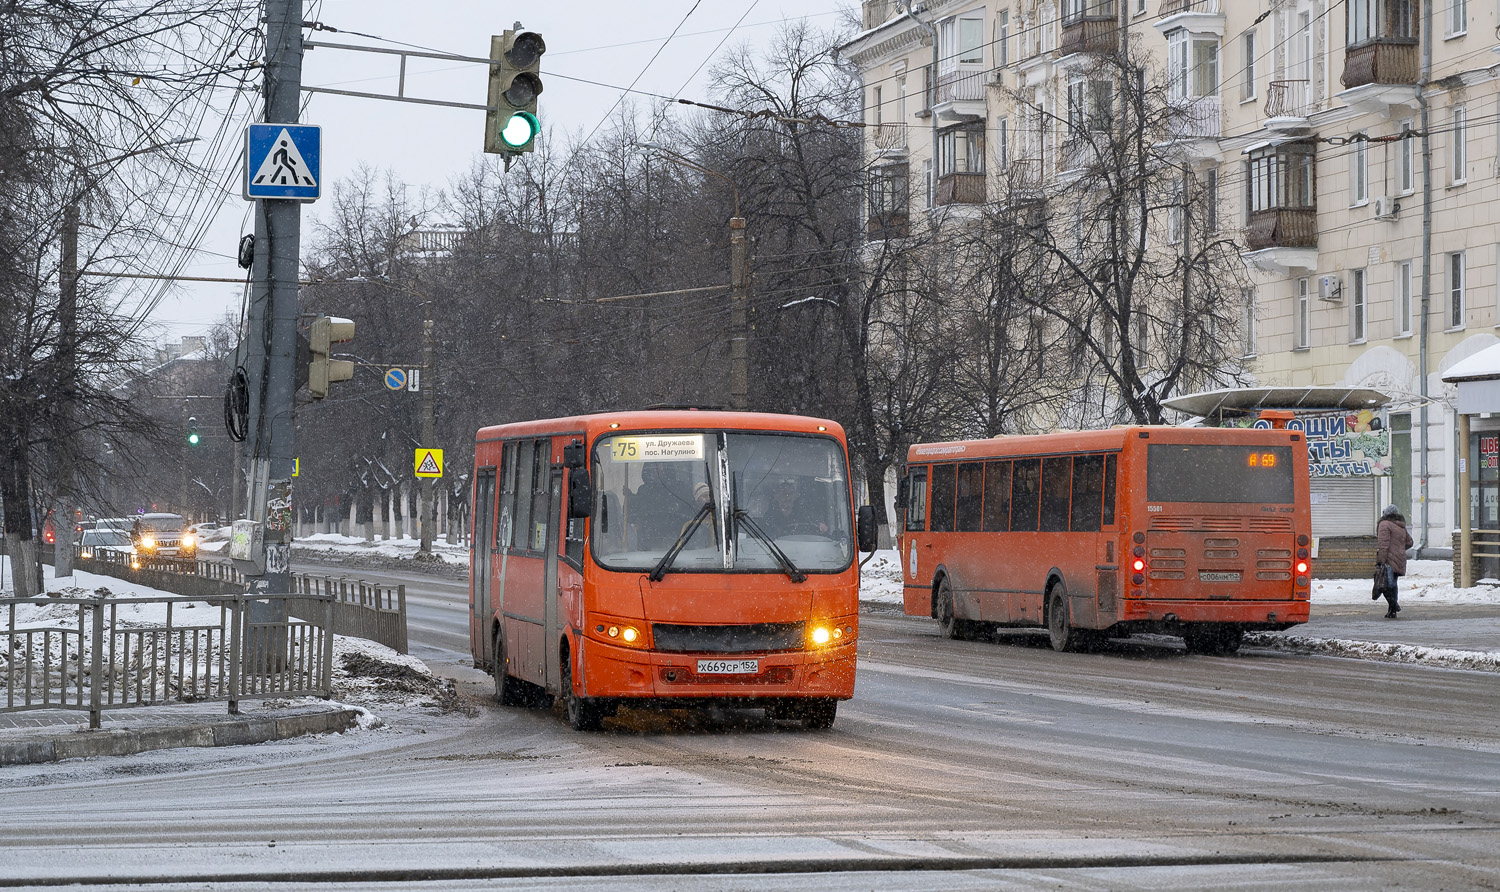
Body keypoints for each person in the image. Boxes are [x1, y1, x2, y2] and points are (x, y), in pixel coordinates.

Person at [1375, 504, 1413, 619]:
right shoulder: (1401, 525)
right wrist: (1399, 549)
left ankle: (1394, 605)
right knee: (1393, 584)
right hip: (1400, 558)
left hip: (1388, 559)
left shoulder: (1384, 524)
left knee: (1386, 585)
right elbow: (1410, 542)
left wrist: (1381, 559)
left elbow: (1383, 544)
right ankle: (1392, 611)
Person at [758, 477, 826, 538]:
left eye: (791, 493)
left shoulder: (805, 515)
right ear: (776, 496)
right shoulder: (769, 517)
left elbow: (817, 529)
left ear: (795, 496)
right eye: (784, 494)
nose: (788, 497)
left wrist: (821, 526)